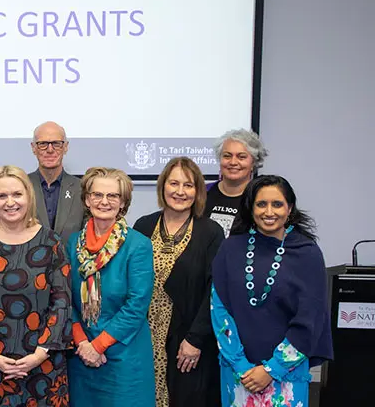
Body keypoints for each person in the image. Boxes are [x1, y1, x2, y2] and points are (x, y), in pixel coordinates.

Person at [211, 175, 333, 406]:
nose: (269, 212)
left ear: (290, 209)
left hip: (286, 373)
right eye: (261, 204)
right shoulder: (231, 248)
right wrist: (240, 365)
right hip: (239, 373)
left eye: (277, 204)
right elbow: (218, 308)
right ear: (250, 208)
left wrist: (272, 369)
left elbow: (310, 318)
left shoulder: (307, 253)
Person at [0, 165, 71, 406]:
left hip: (43, 362)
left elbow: (61, 302)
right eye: (2, 196)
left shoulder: (51, 242)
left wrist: (38, 355)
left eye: (17, 194)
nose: (10, 202)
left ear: (29, 196)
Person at [134, 157, 224, 407]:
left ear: (198, 192)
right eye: (174, 183)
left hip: (187, 341)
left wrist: (195, 339)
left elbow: (214, 291)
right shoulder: (143, 225)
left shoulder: (210, 232)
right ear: (163, 186)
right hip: (144, 336)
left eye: (188, 185)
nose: (180, 191)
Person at [68, 167, 155, 407]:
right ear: (87, 199)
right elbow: (64, 298)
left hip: (124, 357)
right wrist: (83, 343)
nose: (104, 201)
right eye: (97, 195)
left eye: (113, 196)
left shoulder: (138, 245)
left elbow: (137, 305)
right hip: (81, 355)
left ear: (123, 202)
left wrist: (98, 346)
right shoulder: (72, 243)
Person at [28, 121, 84, 245]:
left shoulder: (82, 189)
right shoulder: (20, 187)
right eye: (42, 144)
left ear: (65, 147)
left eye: (56, 144)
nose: (50, 150)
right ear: (33, 148)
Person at [205, 129, 268, 237]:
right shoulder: (202, 192)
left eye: (241, 157)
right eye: (227, 156)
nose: (233, 162)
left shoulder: (261, 198)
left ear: (253, 162)